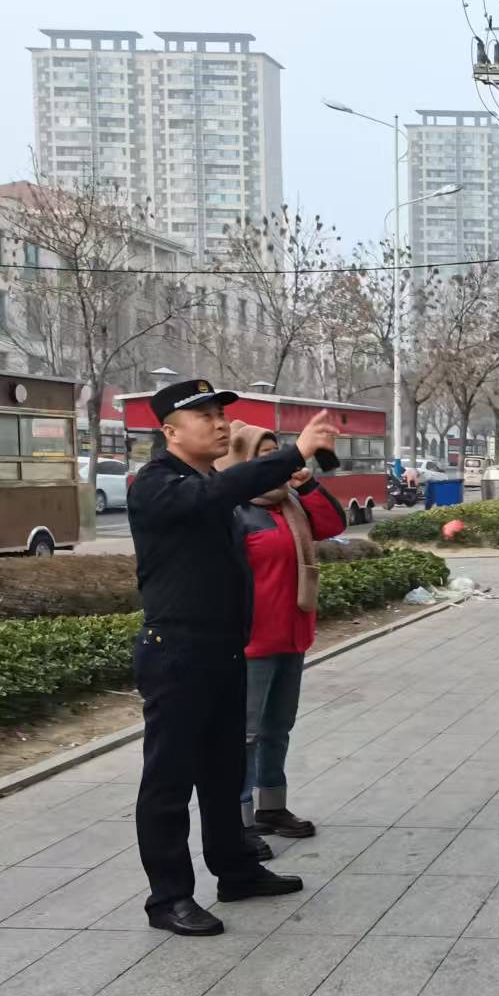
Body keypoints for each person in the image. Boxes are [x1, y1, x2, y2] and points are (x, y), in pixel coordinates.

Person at [127, 379, 338, 936]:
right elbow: (217, 495)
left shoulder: (207, 484)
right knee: (169, 781)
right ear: (170, 431)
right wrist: (292, 453)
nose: (220, 424)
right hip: (176, 654)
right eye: (205, 416)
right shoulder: (157, 484)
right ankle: (168, 898)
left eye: (221, 414)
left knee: (224, 773)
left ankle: (236, 871)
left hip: (223, 650)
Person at [218, 421, 347, 857]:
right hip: (251, 643)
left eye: (278, 453)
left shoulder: (289, 503)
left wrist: (306, 483)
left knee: (278, 728)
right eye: (265, 456)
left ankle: (272, 806)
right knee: (244, 735)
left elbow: (331, 524)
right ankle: (237, 821)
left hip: (292, 635)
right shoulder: (233, 510)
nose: (275, 462)